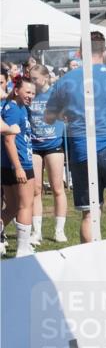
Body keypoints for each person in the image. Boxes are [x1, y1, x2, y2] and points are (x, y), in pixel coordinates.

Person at [46, 33, 106, 243]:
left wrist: (68, 114)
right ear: (105, 52)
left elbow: (49, 117)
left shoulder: (66, 80)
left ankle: (92, 260)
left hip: (81, 149)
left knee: (90, 212)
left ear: (80, 53)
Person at [28, 66, 68, 244]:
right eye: (30, 78)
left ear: (45, 77)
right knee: (36, 190)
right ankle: (37, 232)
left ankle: (59, 230)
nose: (32, 81)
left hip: (54, 145)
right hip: (34, 146)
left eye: (35, 78)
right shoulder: (29, 94)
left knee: (57, 188)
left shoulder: (56, 94)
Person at [2, 77, 37, 256]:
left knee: (13, 207)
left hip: (13, 164)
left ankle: (22, 246)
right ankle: (22, 249)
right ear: (17, 91)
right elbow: (9, 139)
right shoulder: (14, 109)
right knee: (25, 205)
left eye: (33, 93)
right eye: (27, 92)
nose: (31, 96)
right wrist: (18, 167)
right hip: (19, 164)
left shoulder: (19, 108)